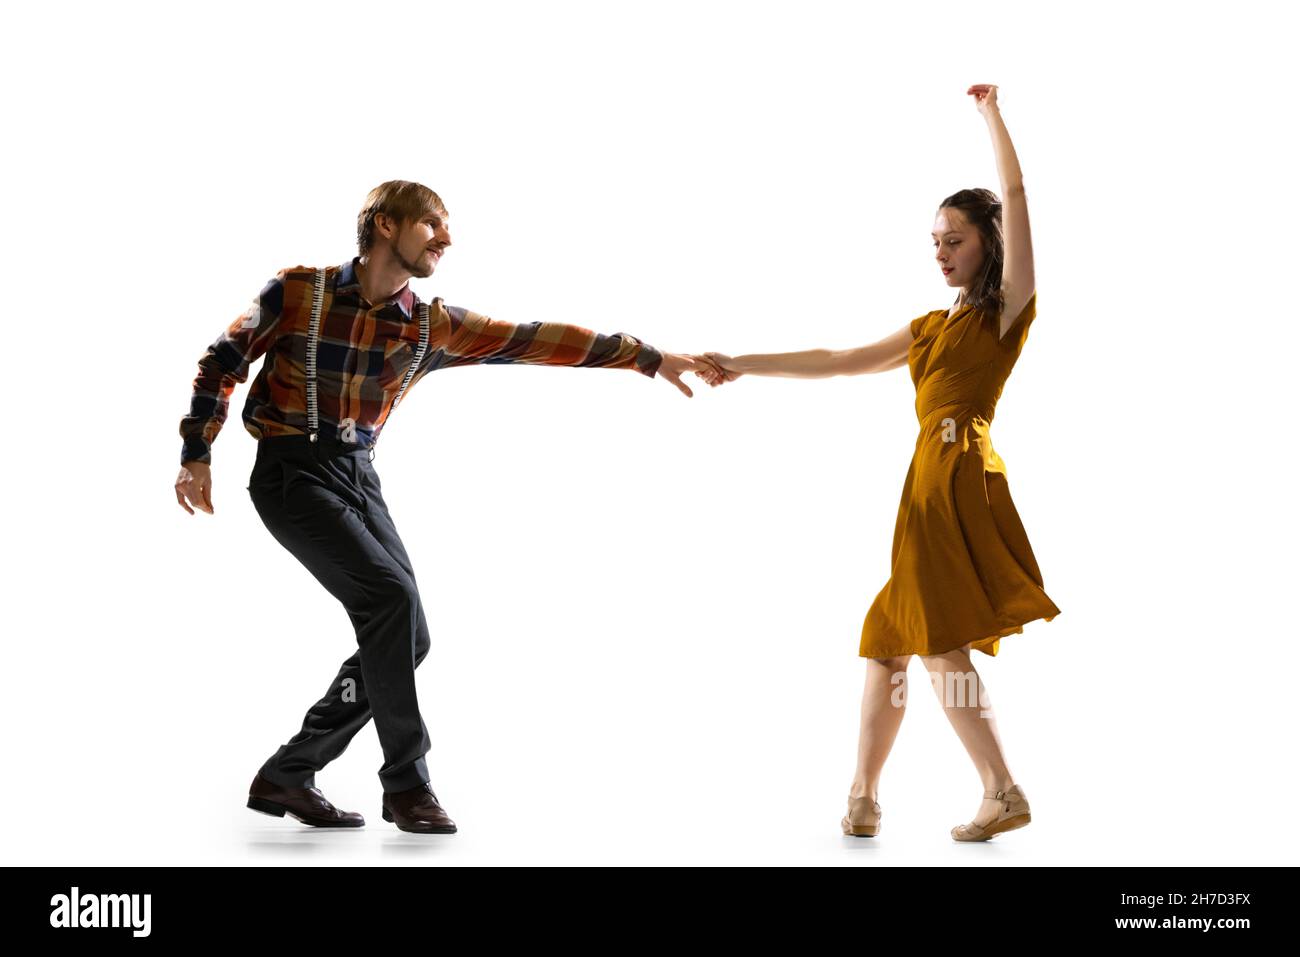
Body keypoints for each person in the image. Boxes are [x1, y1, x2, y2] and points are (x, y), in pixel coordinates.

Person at [174, 180, 720, 834]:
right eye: (431, 223)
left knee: (409, 633)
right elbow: (222, 360)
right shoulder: (298, 292)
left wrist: (647, 357)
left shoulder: (432, 326)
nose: (446, 236)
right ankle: (407, 784)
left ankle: (292, 768)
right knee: (392, 601)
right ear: (383, 224)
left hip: (357, 475)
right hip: (291, 475)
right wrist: (197, 450)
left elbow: (533, 338)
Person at [691, 85, 1060, 842]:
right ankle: (863, 796)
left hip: (957, 478)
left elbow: (1017, 194)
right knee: (888, 634)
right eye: (934, 239)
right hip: (923, 484)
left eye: (953, 238)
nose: (940, 250)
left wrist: (992, 112)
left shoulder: (1006, 311)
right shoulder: (930, 327)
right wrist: (744, 362)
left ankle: (1000, 785)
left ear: (988, 241)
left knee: (935, 638)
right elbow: (839, 359)